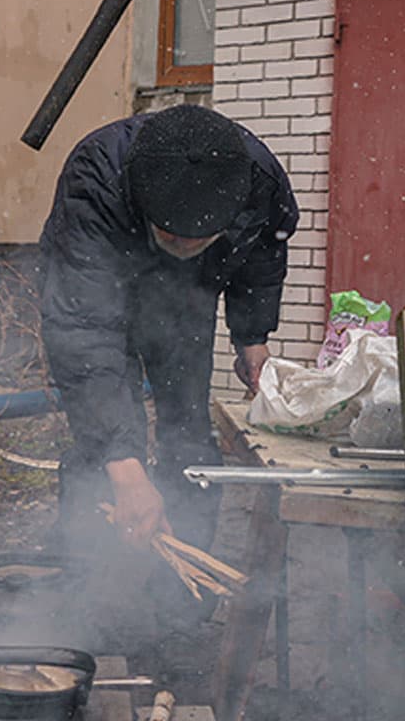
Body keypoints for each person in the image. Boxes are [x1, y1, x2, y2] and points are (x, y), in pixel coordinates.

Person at [40, 105, 298, 560]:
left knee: (188, 428)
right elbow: (83, 332)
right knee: (107, 444)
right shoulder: (97, 177)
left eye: (196, 240)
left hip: (187, 302)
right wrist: (125, 468)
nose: (182, 247)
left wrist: (252, 337)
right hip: (101, 294)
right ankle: (87, 571)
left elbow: (262, 257)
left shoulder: (259, 181)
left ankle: (183, 572)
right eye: (172, 236)